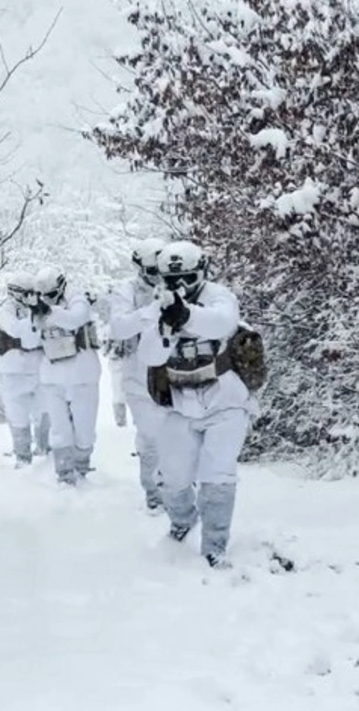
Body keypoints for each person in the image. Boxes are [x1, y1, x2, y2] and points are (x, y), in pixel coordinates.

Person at [138, 241, 254, 567]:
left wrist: (186, 315)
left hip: (225, 401)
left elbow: (223, 323)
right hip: (180, 402)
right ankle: (182, 523)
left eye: (187, 278)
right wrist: (165, 326)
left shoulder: (219, 296)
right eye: (172, 280)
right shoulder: (158, 303)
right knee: (173, 477)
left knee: (217, 472)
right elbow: (148, 354)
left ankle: (215, 544)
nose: (179, 286)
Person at [106, 238, 169, 511]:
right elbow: (119, 327)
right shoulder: (126, 291)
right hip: (139, 374)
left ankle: (181, 490)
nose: (157, 277)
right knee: (151, 436)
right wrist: (153, 311)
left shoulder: (179, 285)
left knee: (180, 435)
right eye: (152, 270)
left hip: (178, 373)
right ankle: (155, 495)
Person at [31, 266, 102, 485]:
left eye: (50, 295)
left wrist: (49, 312)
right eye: (42, 295)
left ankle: (81, 468)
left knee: (84, 430)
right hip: (53, 377)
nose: (47, 299)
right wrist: (35, 314)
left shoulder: (77, 301)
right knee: (59, 430)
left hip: (82, 375)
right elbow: (30, 337)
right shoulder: (38, 309)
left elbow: (75, 319)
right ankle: (64, 474)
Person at [0, 272, 51, 466]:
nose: (31, 296)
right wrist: (35, 316)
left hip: (39, 367)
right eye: (27, 293)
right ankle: (23, 456)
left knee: (44, 410)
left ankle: (44, 451)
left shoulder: (40, 308)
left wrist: (38, 310)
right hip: (13, 370)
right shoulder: (5, 310)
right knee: (17, 414)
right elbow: (17, 331)